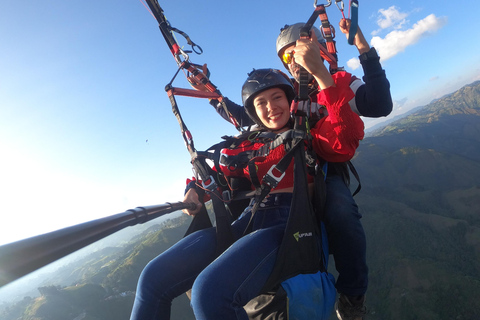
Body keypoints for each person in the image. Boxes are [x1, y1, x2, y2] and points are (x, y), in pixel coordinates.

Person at [129, 65, 365, 320]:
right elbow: (212, 178)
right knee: (152, 279)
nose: (271, 107)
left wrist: (322, 76)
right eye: (261, 103)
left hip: (289, 228)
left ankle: (353, 294)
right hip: (245, 223)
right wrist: (193, 192)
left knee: (209, 293)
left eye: (277, 98)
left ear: (289, 101)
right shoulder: (241, 146)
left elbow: (345, 139)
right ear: (253, 112)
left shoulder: (308, 136)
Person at [198, 20, 392, 320]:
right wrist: (212, 94)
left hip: (327, 165)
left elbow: (379, 104)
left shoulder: (338, 80)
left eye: (302, 50)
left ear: (319, 49)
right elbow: (248, 116)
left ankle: (353, 296)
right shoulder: (286, 94)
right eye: (289, 57)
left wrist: (362, 47)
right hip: (291, 166)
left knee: (341, 211)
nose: (297, 60)